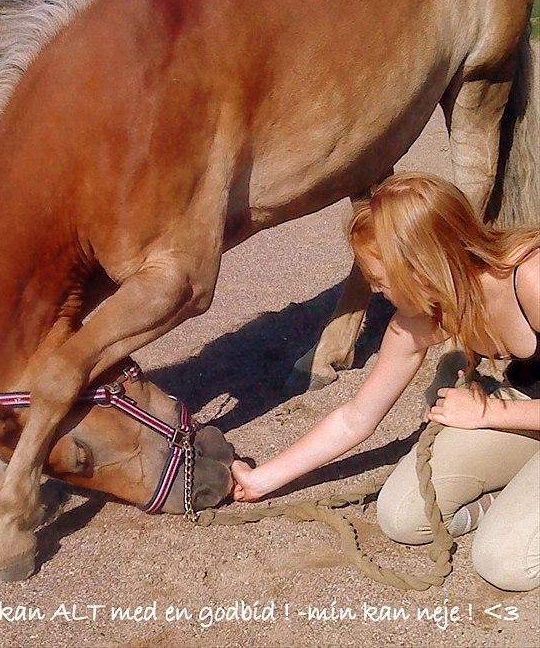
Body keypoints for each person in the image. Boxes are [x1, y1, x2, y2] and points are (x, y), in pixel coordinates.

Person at [231, 172, 540, 591]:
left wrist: (488, 412)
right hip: (526, 408)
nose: (374, 290)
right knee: (403, 515)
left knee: (505, 563)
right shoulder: (419, 317)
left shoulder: (530, 279)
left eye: (379, 277)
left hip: (515, 410)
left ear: (421, 264)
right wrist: (262, 479)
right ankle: (506, 502)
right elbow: (356, 417)